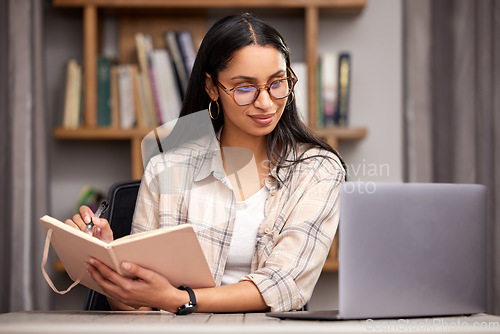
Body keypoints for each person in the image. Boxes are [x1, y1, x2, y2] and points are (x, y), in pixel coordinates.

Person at [66, 13, 346, 313]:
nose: (266, 102)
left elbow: (285, 285)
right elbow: (140, 309)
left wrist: (177, 299)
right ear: (212, 88)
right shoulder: (167, 167)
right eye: (244, 88)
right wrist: (107, 257)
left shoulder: (317, 170)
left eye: (277, 83)